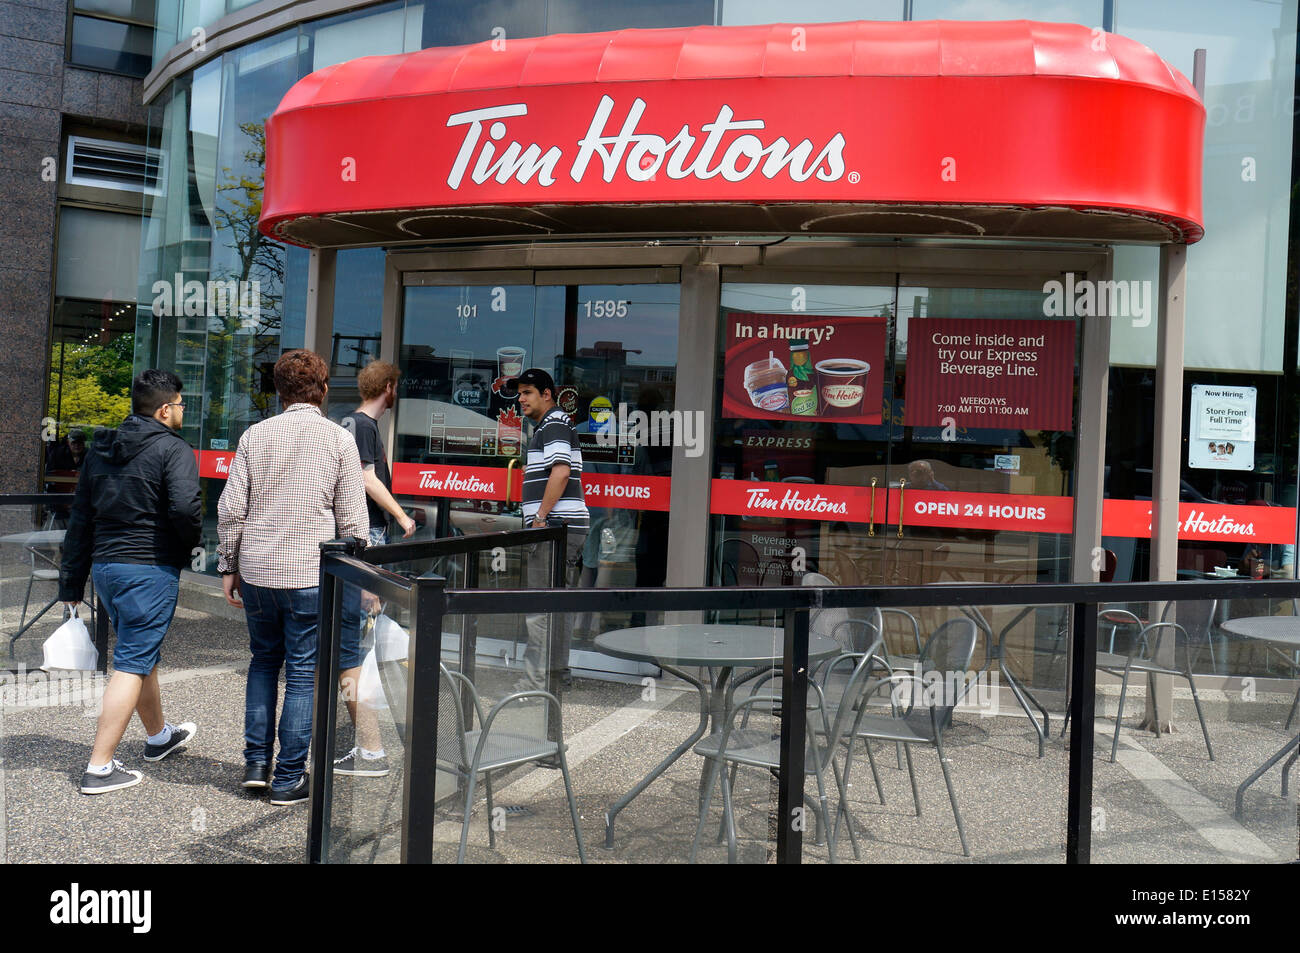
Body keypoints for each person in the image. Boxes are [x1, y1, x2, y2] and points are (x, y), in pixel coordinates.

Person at [217, 349, 368, 805]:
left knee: (263, 661)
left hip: (259, 571)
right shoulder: (339, 440)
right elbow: (354, 523)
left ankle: (256, 765)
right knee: (302, 673)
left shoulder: (254, 436)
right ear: (322, 389)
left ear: (279, 391)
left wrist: (229, 565)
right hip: (310, 572)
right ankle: (287, 779)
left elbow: (231, 510)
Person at [59, 370, 202, 795]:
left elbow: (80, 519)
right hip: (148, 570)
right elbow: (184, 508)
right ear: (163, 409)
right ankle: (99, 768)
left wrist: (72, 583)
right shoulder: (172, 449)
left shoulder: (101, 450)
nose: (182, 410)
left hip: (106, 569)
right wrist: (186, 545)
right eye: (179, 404)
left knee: (141, 652)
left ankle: (159, 737)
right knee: (132, 662)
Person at [335, 359, 415, 778]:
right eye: (396, 385)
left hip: (358, 535)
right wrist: (402, 517)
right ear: (388, 386)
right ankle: (371, 748)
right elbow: (367, 478)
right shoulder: (363, 425)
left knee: (354, 643)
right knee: (358, 646)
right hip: (367, 536)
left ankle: (367, 745)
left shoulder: (349, 422)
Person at [512, 368, 588, 691]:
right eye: (519, 393)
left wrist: (540, 517)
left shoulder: (554, 422)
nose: (521, 399)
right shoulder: (551, 424)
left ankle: (533, 683)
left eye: (527, 392)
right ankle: (556, 676)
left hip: (555, 528)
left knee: (539, 607)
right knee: (557, 605)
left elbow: (560, 472)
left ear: (547, 394)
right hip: (563, 528)